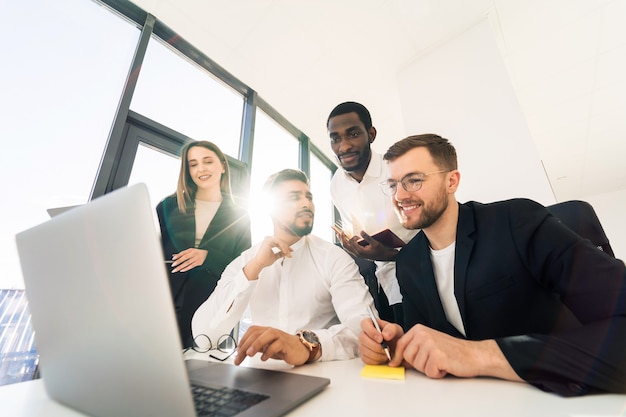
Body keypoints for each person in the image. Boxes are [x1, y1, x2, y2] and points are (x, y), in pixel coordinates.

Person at [359, 134, 626, 396]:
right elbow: (431, 339)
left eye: (413, 180)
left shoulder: (517, 222)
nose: (400, 195)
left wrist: (479, 354)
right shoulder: (408, 262)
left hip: (553, 398)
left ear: (452, 181)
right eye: (393, 185)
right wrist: (401, 344)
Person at [192, 169, 375, 366]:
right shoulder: (246, 261)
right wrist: (255, 268)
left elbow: (365, 328)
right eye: (294, 197)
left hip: (323, 375)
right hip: (259, 375)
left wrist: (305, 345)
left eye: (309, 197)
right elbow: (204, 336)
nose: (306, 204)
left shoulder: (334, 258)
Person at [327, 101, 417, 327]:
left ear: (371, 134)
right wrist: (355, 247)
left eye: (353, 134)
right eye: (335, 138)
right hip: (381, 283)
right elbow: (358, 228)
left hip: (423, 275)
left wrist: (394, 255)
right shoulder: (336, 184)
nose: (344, 146)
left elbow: (432, 230)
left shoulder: (397, 170)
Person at [156, 140, 251, 348]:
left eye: (207, 161)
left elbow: (244, 267)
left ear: (222, 166)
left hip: (210, 306)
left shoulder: (239, 216)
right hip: (164, 302)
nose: (201, 169)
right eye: (193, 164)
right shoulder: (167, 206)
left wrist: (207, 257)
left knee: (200, 372)